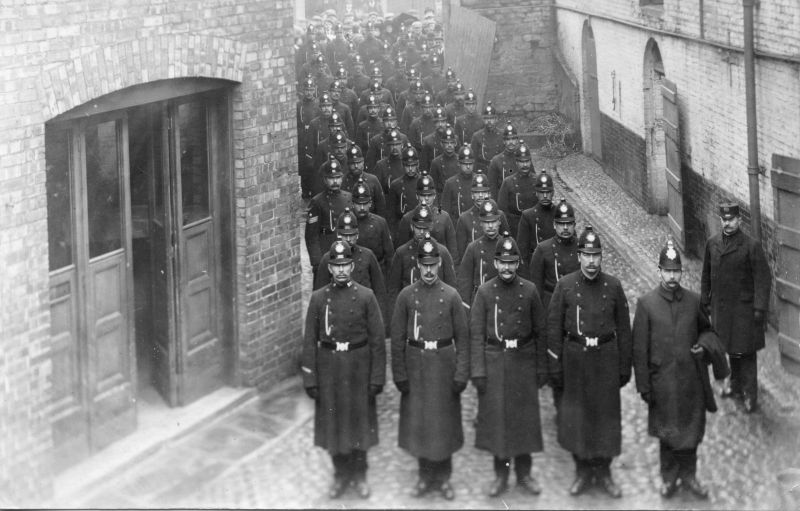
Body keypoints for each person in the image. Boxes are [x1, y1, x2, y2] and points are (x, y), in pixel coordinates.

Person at [633, 239, 730, 500]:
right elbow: (639, 350)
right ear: (659, 271)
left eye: (676, 271)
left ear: (681, 272)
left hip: (690, 382)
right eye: (668, 270)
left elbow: (709, 332)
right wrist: (644, 387)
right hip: (661, 384)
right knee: (667, 434)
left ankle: (689, 476)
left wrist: (702, 345)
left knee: (690, 433)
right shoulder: (646, 304)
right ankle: (669, 478)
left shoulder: (694, 302)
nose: (672, 275)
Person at [547, 225, 632, 498]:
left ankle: (604, 472)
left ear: (601, 257)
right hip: (576, 361)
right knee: (578, 419)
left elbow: (624, 329)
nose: (592, 261)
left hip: (605, 359)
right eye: (587, 255)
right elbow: (553, 330)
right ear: (579, 256)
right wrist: (556, 366)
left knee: (605, 418)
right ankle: (583, 471)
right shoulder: (565, 286)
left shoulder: (614, 286)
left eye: (596, 255)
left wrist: (623, 367)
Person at [301, 239, 386, 499]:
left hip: (358, 367)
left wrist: (377, 377)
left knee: (359, 423)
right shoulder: (318, 299)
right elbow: (309, 340)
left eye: (345, 265)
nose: (340, 270)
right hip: (330, 369)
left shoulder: (365, 296)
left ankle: (360, 474)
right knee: (334, 424)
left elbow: (377, 341)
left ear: (352, 266)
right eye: (335, 265)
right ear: (329, 268)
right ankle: (340, 475)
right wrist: (310, 378)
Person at [390, 232, 470, 500]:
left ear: (439, 264)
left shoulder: (452, 297)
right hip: (416, 367)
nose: (428, 270)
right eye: (423, 265)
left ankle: (444, 478)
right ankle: (424, 477)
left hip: (444, 366)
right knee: (421, 424)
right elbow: (397, 339)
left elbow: (464, 339)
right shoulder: (405, 297)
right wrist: (400, 374)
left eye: (432, 264)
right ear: (417, 266)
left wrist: (461, 374)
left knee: (444, 423)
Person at [470, 233, 548, 497]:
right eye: (502, 262)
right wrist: (478, 371)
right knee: (498, 425)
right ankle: (500, 476)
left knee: (524, 422)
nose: (506, 268)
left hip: (523, 361)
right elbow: (476, 335)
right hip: (495, 362)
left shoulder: (530, 290)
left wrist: (541, 368)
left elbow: (541, 332)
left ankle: (524, 475)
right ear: (494, 263)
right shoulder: (484, 292)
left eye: (511, 262)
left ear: (518, 263)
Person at [700, 202, 771, 413]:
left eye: (731, 219)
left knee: (746, 353)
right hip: (721, 309)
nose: (727, 223)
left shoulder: (750, 246)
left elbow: (763, 278)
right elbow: (706, 275)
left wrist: (759, 308)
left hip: (744, 311)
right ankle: (735, 385)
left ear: (739, 220)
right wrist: (705, 300)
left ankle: (750, 394)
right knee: (730, 350)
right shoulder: (712, 244)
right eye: (724, 219)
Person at [387, 204, 457, 309]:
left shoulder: (442, 252)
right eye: (418, 228)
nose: (422, 232)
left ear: (431, 227)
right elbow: (393, 291)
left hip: (437, 309)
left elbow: (451, 287)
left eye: (425, 228)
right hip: (411, 309)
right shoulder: (401, 253)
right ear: (411, 227)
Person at [305, 158, 353, 277]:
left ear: (342, 178)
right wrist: (317, 262)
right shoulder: (317, 202)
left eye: (337, 177)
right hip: (326, 248)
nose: (335, 181)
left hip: (346, 249)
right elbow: (311, 236)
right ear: (325, 180)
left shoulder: (349, 198)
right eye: (331, 178)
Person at [454, 171, 511, 265]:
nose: (480, 195)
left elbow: (506, 242)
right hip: (475, 264)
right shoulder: (464, 218)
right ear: (472, 195)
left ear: (489, 194)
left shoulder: (499, 215)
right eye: (477, 192)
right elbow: (461, 252)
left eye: (484, 192)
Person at [395, 171, 457, 256]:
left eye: (430, 195)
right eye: (423, 195)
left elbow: (452, 249)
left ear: (435, 196)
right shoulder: (408, 218)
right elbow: (401, 251)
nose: (427, 198)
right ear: (417, 196)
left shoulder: (444, 217)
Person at [457, 199, 503, 308]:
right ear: (481, 223)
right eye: (487, 222)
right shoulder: (473, 248)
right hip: (480, 301)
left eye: (493, 221)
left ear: (499, 222)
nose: (490, 226)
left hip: (503, 299)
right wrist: (466, 307)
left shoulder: (507, 244)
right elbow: (465, 280)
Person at [351, 178, 394, 277]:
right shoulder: (346, 223)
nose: (362, 208)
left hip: (377, 271)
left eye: (365, 204)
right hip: (354, 271)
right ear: (353, 204)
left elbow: (389, 254)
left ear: (370, 203)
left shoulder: (380, 223)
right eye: (358, 204)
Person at [497, 143, 538, 238]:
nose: (525, 165)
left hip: (534, 226)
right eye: (521, 162)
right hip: (515, 228)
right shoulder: (508, 183)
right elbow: (502, 210)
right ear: (516, 162)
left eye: (527, 161)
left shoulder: (538, 181)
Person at [387, 144, 422, 241]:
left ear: (417, 164)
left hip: (422, 227)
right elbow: (391, 215)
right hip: (403, 228)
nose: (410, 169)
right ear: (403, 165)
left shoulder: (423, 182)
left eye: (413, 165)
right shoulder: (396, 185)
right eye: (407, 166)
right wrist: (393, 234)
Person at [487, 122, 520, 199]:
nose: (511, 142)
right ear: (504, 141)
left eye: (513, 138)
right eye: (508, 139)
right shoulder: (496, 161)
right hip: (503, 201)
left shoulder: (523, 158)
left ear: (517, 140)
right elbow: (492, 188)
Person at [470, 102, 503, 172]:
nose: (489, 121)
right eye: (486, 118)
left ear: (496, 119)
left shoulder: (502, 135)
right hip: (482, 172)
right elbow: (473, 160)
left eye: (491, 118)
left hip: (498, 170)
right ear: (483, 120)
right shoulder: (476, 136)